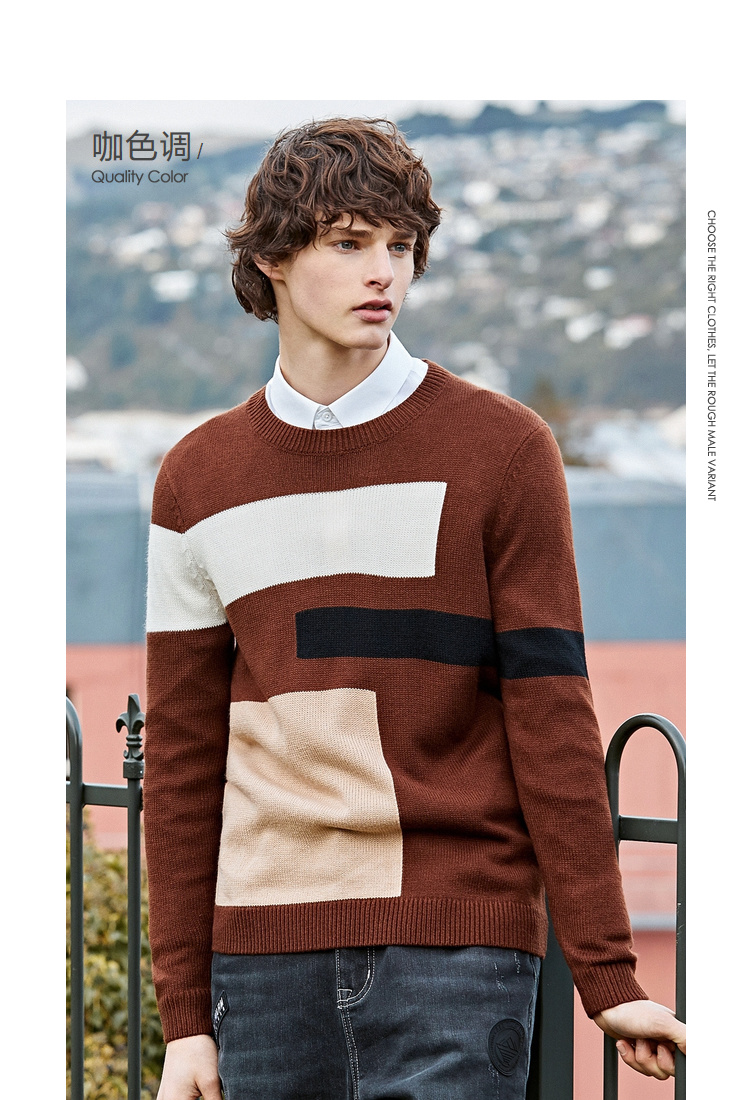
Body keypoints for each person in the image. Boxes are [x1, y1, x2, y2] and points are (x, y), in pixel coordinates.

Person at [143, 117, 686, 1100]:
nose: (382, 272)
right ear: (271, 259)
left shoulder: (504, 450)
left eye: (400, 246)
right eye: (349, 243)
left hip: (458, 955)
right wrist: (183, 1018)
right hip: (262, 970)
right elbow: (181, 759)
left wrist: (607, 973)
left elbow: (551, 713)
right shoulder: (197, 478)